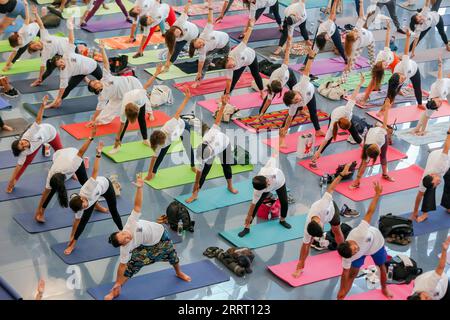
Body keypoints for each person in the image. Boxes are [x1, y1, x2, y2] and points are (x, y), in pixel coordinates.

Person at [104, 174, 191, 300]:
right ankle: (116, 290)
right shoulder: (125, 248)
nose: (127, 236)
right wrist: (117, 282)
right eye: (125, 240)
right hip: (145, 246)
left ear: (120, 231)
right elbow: (121, 266)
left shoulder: (130, 224)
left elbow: (137, 206)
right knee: (132, 266)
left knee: (173, 255)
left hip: (161, 235)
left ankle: (178, 273)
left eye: (123, 234)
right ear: (123, 244)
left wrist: (140, 188)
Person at [34, 125, 106, 223]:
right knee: (50, 192)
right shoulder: (51, 174)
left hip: (73, 154)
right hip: (59, 155)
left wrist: (91, 137)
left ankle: (96, 205)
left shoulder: (72, 165)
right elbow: (45, 193)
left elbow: (80, 152)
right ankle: (41, 212)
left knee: (86, 183)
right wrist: (38, 211)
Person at [292, 163, 353, 277]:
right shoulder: (307, 227)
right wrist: (299, 267)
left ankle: (344, 252)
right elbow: (305, 246)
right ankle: (301, 266)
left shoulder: (322, 204)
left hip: (331, 210)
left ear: (319, 224)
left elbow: (331, 188)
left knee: (337, 230)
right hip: (324, 215)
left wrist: (341, 175)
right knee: (307, 242)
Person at [65, 141, 124, 255]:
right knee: (83, 222)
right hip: (95, 196)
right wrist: (72, 237)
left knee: (113, 211)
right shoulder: (81, 206)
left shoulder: (88, 188)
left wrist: (98, 153)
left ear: (82, 199)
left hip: (106, 186)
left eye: (84, 205)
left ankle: (122, 230)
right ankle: (73, 244)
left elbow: (95, 171)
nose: (85, 207)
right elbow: (77, 222)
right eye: (83, 207)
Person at [337, 181, 393, 300]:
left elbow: (370, 212)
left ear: (349, 241)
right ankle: (342, 297)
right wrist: (341, 292)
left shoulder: (359, 232)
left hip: (375, 243)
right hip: (364, 251)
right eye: (354, 252)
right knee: (352, 273)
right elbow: (345, 274)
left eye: (355, 248)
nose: (356, 249)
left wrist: (377, 194)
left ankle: (384, 288)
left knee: (382, 266)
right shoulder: (348, 256)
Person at [87, 43, 158, 127]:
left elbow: (106, 63)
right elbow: (99, 109)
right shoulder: (102, 96)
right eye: (94, 84)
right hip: (118, 97)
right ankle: (97, 122)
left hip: (131, 83)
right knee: (108, 110)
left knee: (142, 97)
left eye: (94, 81)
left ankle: (150, 113)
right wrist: (94, 119)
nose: (96, 82)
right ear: (96, 89)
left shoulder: (105, 78)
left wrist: (102, 49)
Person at [185, 96, 238, 204]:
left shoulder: (212, 134)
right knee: (204, 173)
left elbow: (218, 120)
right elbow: (199, 173)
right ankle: (195, 195)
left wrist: (223, 105)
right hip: (212, 149)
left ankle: (230, 186)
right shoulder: (201, 153)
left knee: (226, 166)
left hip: (225, 144)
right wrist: (195, 185)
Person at [6, 95, 63, 193]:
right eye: (23, 147)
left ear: (21, 140)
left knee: (61, 153)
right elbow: (19, 167)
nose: (24, 144)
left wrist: (42, 106)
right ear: (23, 150)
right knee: (26, 163)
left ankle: (72, 172)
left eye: (21, 143)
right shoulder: (24, 152)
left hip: (50, 133)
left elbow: (38, 120)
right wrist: (11, 181)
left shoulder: (29, 134)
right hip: (38, 143)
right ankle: (13, 183)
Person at [44, 17, 103, 109]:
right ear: (58, 67)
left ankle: (109, 95)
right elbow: (62, 88)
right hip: (81, 73)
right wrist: (58, 98)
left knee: (106, 81)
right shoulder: (63, 73)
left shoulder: (67, 54)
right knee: (68, 88)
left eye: (61, 61)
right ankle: (56, 102)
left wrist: (70, 28)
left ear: (61, 58)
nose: (62, 64)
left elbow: (71, 40)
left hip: (93, 66)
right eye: (59, 65)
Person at [310, 74, 365, 168]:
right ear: (341, 128)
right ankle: (314, 160)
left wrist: (360, 84)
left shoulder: (348, 111)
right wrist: (318, 152)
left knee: (355, 134)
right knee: (329, 140)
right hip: (334, 114)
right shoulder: (333, 125)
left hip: (343, 116)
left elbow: (353, 96)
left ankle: (365, 149)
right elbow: (325, 140)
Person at [145, 88, 195, 181]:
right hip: (172, 136)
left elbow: (178, 112)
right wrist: (149, 174)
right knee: (161, 154)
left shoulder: (170, 125)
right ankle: (154, 173)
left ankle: (193, 165)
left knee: (188, 147)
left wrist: (187, 98)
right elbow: (154, 158)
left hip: (183, 128)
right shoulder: (158, 141)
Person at [279, 48, 325, 148]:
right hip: (305, 99)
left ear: (295, 92)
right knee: (289, 117)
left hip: (310, 95)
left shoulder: (302, 85)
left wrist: (311, 57)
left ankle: (318, 130)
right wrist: (285, 128)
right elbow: (290, 118)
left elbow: (307, 70)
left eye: (296, 99)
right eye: (295, 102)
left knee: (313, 113)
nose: (297, 100)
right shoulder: (294, 104)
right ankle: (281, 139)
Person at [238, 152, 291, 237]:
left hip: (280, 182)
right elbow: (253, 205)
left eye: (267, 181)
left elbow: (273, 156)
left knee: (284, 201)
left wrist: (276, 151)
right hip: (267, 189)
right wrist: (248, 216)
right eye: (267, 183)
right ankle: (247, 227)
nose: (269, 182)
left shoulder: (268, 170)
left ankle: (282, 220)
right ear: (263, 188)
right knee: (257, 206)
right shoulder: (257, 191)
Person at [349, 98, 394, 189]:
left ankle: (385, 174)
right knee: (364, 162)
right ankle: (357, 181)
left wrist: (387, 108)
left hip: (379, 133)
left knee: (384, 155)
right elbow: (364, 164)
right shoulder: (367, 147)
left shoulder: (381, 137)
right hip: (371, 134)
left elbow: (384, 124)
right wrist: (357, 180)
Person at [411, 129, 450, 223]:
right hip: (435, 158)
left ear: (432, 175)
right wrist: (415, 211)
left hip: (444, 158)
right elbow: (419, 195)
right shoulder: (425, 180)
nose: (438, 183)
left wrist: (449, 133)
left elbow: (446, 147)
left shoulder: (440, 165)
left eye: (436, 182)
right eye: (436, 184)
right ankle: (425, 214)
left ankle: (449, 206)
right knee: (428, 192)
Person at [27, 5, 71, 88]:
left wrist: (36, 13)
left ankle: (84, 77)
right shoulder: (44, 53)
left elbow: (40, 24)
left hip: (69, 45)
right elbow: (42, 67)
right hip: (61, 53)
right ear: (37, 50)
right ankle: (39, 81)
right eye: (35, 48)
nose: (37, 45)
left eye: (35, 44)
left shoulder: (43, 36)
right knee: (49, 68)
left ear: (36, 41)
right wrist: (40, 77)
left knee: (76, 61)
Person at [109, 79, 156, 154]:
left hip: (141, 101)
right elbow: (121, 125)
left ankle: (145, 139)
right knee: (125, 124)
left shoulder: (139, 95)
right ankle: (118, 146)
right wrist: (117, 139)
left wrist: (156, 73)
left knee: (142, 120)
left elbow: (147, 84)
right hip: (130, 100)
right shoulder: (123, 110)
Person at [189, 0, 230, 88]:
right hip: (215, 48)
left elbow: (210, 21)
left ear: (199, 38)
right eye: (199, 46)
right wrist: (199, 73)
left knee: (229, 59)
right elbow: (201, 63)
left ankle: (232, 77)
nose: (201, 45)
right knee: (206, 60)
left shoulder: (205, 33)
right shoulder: (202, 49)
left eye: (199, 43)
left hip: (226, 41)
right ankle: (198, 82)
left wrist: (211, 8)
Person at [358, 21, 399, 106]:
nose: (385, 66)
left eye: (384, 65)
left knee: (396, 78)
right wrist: (364, 99)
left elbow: (386, 41)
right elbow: (371, 83)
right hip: (387, 61)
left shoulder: (385, 54)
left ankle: (397, 92)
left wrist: (388, 29)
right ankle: (367, 95)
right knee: (374, 81)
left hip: (394, 59)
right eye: (384, 67)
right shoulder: (377, 66)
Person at [221, 22, 264, 99]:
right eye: (229, 67)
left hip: (251, 57)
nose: (231, 67)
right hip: (242, 64)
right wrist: (226, 93)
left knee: (255, 74)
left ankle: (262, 91)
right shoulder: (230, 68)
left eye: (230, 65)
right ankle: (225, 96)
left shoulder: (236, 52)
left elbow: (245, 40)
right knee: (234, 79)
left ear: (228, 59)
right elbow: (229, 81)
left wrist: (250, 28)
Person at [257, 36, 296, 119]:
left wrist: (288, 46)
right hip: (277, 77)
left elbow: (286, 59)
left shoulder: (282, 71)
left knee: (295, 92)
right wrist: (262, 113)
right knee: (268, 98)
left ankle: (299, 109)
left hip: (289, 74)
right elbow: (268, 101)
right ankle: (261, 113)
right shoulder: (271, 85)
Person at [386, 29, 424, 110]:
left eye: (402, 78)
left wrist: (407, 37)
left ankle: (420, 104)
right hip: (405, 73)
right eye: (402, 80)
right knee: (395, 87)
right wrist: (387, 103)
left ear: (399, 74)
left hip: (413, 70)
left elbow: (406, 51)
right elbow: (390, 90)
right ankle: (392, 99)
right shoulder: (396, 77)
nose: (403, 79)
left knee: (417, 87)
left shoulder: (404, 64)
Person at [413, 56, 449, 135]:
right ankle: (417, 128)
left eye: (438, 102)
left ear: (433, 100)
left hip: (445, 85)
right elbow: (427, 116)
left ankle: (417, 128)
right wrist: (423, 130)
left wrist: (440, 64)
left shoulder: (439, 89)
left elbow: (439, 76)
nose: (440, 103)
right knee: (427, 113)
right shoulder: (432, 104)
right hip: (446, 90)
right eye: (439, 105)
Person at [341, 0, 375, 83]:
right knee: (351, 65)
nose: (358, 35)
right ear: (354, 40)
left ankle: (374, 74)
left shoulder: (357, 29)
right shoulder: (353, 46)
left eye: (356, 34)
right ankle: (342, 80)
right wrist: (348, 65)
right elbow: (351, 58)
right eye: (357, 37)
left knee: (372, 59)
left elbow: (361, 16)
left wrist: (361, 3)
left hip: (370, 40)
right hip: (361, 45)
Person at [407, 236, 450, 300]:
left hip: (445, 285)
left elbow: (440, 268)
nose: (429, 299)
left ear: (418, 293)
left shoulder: (429, 285)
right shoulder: (415, 296)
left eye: (426, 298)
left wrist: (444, 250)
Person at [2, 0, 40, 73]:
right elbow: (12, 55)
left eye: (18, 38)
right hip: (28, 40)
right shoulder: (18, 45)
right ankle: (9, 65)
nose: (19, 38)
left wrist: (26, 6)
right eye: (18, 40)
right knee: (18, 54)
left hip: (37, 29)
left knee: (46, 41)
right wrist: (7, 64)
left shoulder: (23, 31)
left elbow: (27, 18)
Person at [305, 0, 346, 65]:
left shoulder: (328, 25)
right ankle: (305, 63)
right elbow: (312, 53)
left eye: (327, 38)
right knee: (314, 50)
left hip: (333, 29)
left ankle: (346, 60)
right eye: (327, 39)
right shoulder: (318, 42)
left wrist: (335, 2)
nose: (328, 39)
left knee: (339, 45)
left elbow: (332, 13)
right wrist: (307, 65)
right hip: (326, 30)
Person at [162, 0, 199, 73]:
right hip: (185, 39)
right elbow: (170, 50)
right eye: (177, 35)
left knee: (198, 47)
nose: (178, 32)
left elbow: (185, 11)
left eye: (176, 31)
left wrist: (189, 2)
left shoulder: (179, 22)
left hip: (195, 32)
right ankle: (168, 66)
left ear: (174, 28)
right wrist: (167, 62)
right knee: (176, 51)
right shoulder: (177, 39)